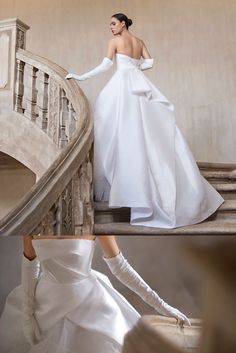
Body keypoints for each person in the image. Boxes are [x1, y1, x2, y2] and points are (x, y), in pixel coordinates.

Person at [66, 13, 224, 229]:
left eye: (113, 23)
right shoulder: (139, 42)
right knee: (145, 131)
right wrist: (136, 69)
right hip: (139, 84)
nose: (110, 28)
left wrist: (80, 76)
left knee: (116, 123)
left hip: (123, 85)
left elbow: (105, 66)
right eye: (109, 25)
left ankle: (123, 180)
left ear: (123, 24)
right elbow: (150, 61)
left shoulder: (116, 41)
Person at [0, 235, 190, 353]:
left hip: (89, 304)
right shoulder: (35, 218)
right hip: (46, 306)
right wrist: (27, 316)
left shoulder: (90, 220)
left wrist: (161, 305)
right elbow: (30, 267)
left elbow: (121, 268)